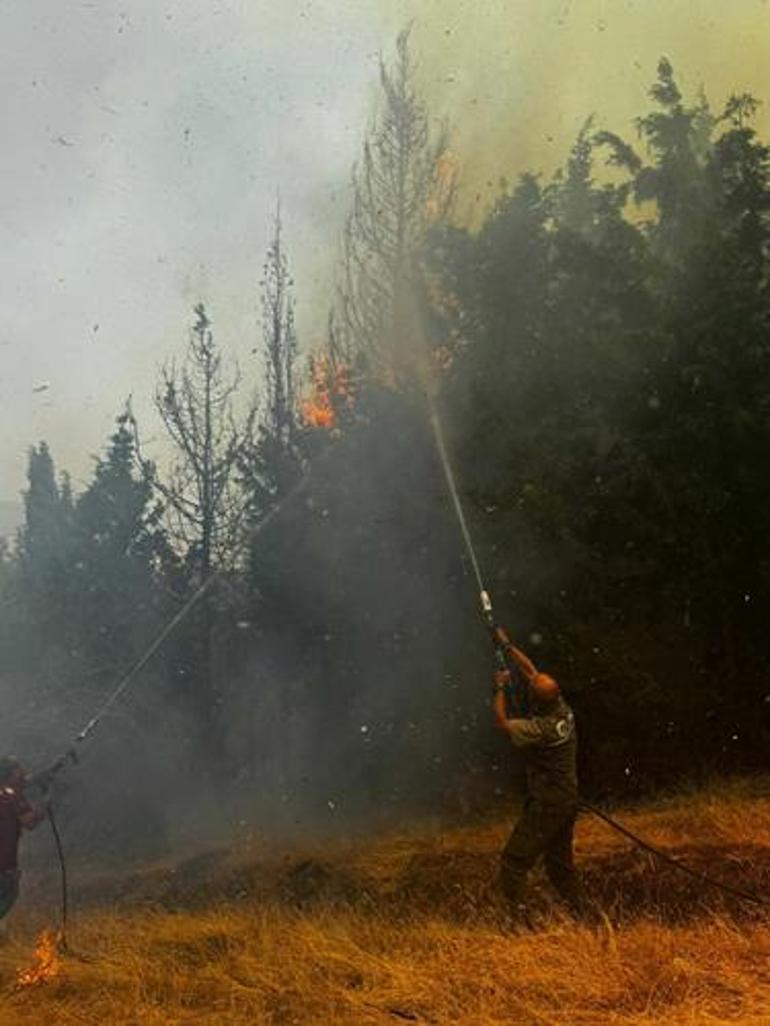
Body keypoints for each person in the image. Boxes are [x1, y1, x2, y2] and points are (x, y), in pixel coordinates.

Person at [491, 635, 589, 923]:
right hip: (567, 798)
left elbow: (502, 723)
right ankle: (586, 919)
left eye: (532, 689)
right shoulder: (561, 708)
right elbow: (531, 671)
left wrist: (498, 686)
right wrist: (507, 646)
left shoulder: (542, 728)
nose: (531, 681)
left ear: (539, 701)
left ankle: (520, 925)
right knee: (560, 868)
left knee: (514, 862)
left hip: (548, 802)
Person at [0, 757, 46, 921]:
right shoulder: (13, 796)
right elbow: (29, 822)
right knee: (9, 893)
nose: (22, 773)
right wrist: (44, 808)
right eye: (17, 770)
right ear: (9, 774)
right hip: (4, 865)